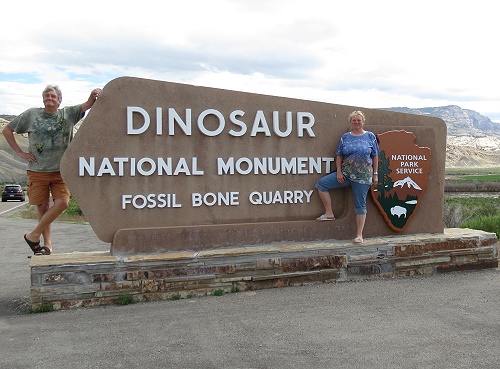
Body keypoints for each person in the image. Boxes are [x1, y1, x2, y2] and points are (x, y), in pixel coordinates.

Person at [2, 84, 102, 255]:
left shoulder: (68, 114)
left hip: (61, 171)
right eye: (47, 96)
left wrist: (94, 94)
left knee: (62, 203)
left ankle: (33, 235)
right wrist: (20, 152)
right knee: (42, 207)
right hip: (37, 170)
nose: (49, 98)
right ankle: (47, 246)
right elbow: (7, 130)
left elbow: (87, 104)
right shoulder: (32, 114)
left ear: (59, 101)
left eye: (53, 96)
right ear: (43, 99)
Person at [314, 110, 379, 243]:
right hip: (345, 174)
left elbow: (375, 156)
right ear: (350, 122)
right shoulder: (345, 137)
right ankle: (329, 213)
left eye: (359, 120)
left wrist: (375, 174)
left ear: (363, 121)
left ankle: (359, 235)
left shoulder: (370, 136)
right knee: (322, 184)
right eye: (354, 120)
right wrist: (339, 171)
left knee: (360, 205)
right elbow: (339, 155)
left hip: (363, 176)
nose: (356, 122)